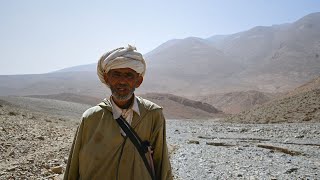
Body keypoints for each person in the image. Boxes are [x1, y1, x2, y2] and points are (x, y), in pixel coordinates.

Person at [64, 45, 173, 180]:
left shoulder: (152, 114)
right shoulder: (91, 118)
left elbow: (161, 163)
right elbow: (74, 167)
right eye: (116, 74)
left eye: (129, 75)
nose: (122, 81)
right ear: (107, 78)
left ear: (138, 81)